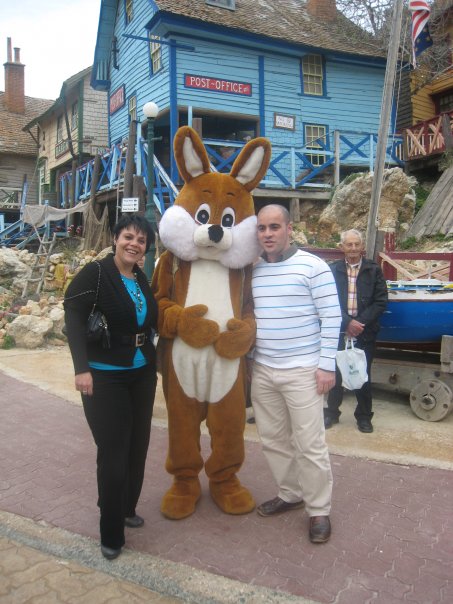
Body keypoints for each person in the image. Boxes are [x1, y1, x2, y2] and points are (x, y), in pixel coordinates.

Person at [64, 214, 158, 560]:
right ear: (115, 238)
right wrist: (81, 369)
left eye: (142, 240)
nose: (134, 244)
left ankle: (125, 507)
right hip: (105, 376)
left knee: (138, 446)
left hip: (142, 373)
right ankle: (111, 532)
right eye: (128, 237)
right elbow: (72, 314)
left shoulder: (140, 276)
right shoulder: (97, 273)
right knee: (114, 452)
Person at [250, 204, 341, 544]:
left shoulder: (313, 267)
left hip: (304, 370)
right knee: (273, 439)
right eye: (262, 228)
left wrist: (326, 365)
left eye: (275, 227)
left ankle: (319, 509)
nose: (268, 234)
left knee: (310, 443)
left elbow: (332, 317)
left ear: (290, 229)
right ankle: (290, 494)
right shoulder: (254, 269)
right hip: (264, 369)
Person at [324, 229, 388, 433]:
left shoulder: (373, 270)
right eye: (348, 244)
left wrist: (359, 323)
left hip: (365, 331)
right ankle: (332, 413)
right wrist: (347, 323)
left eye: (356, 244)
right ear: (341, 247)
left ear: (362, 247)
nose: (352, 248)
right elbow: (327, 301)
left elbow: (381, 301)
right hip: (339, 330)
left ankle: (363, 417)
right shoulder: (332, 270)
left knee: (362, 374)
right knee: (335, 373)